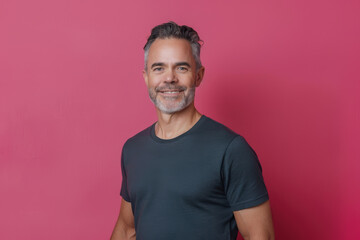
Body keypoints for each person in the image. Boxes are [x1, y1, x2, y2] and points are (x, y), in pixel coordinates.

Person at [110, 21, 274, 240]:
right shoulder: (133, 149)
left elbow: (260, 236)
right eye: (159, 68)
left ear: (198, 76)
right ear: (146, 77)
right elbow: (126, 229)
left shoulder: (231, 150)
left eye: (181, 68)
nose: (169, 78)